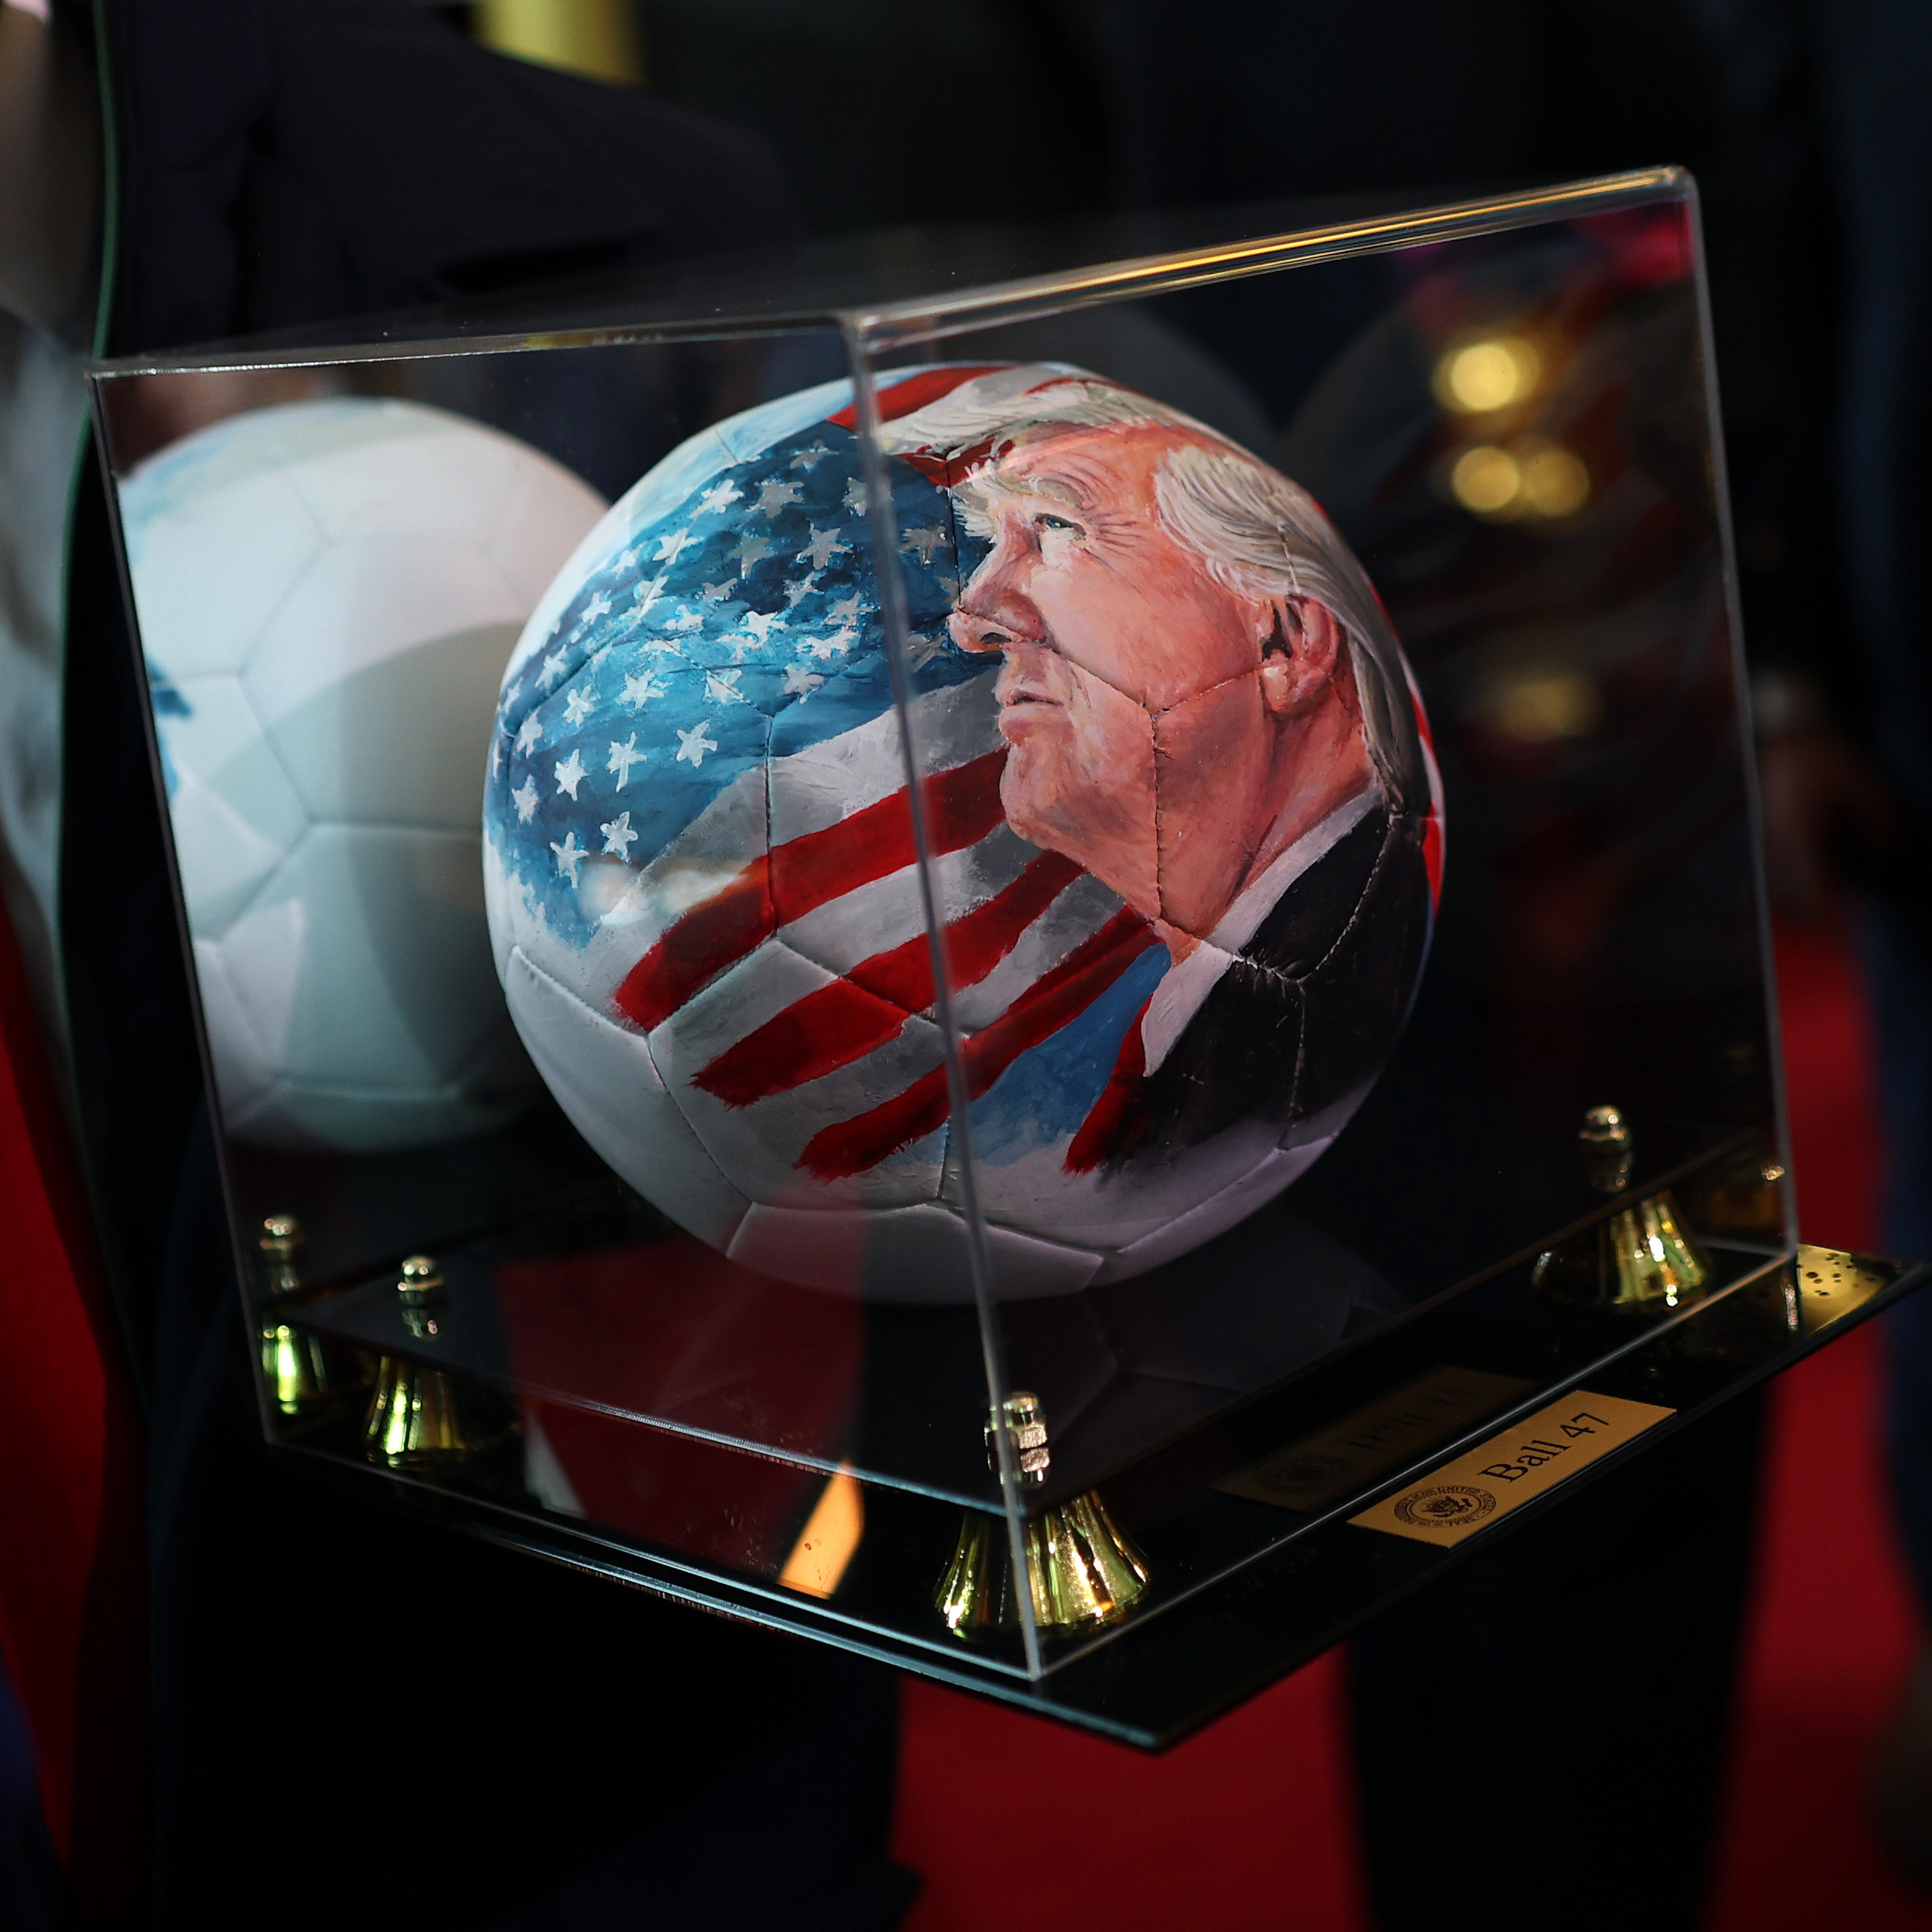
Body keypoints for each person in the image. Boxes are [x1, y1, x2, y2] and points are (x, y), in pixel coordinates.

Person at [919, 374, 1434, 1171]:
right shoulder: (1264, 992)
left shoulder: (1337, 1004)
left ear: (1286, 644)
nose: (973, 616)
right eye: (996, 544)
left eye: (1057, 526)